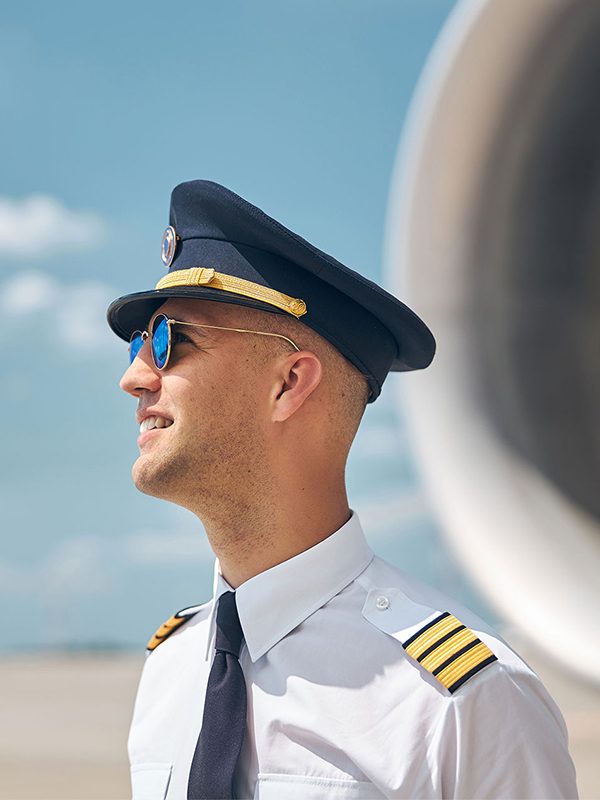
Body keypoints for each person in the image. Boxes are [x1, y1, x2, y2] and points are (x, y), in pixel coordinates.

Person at [107, 180, 578, 800]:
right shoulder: (171, 668)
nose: (134, 377)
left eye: (170, 341)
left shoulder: (458, 702)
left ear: (289, 383)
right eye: (142, 344)